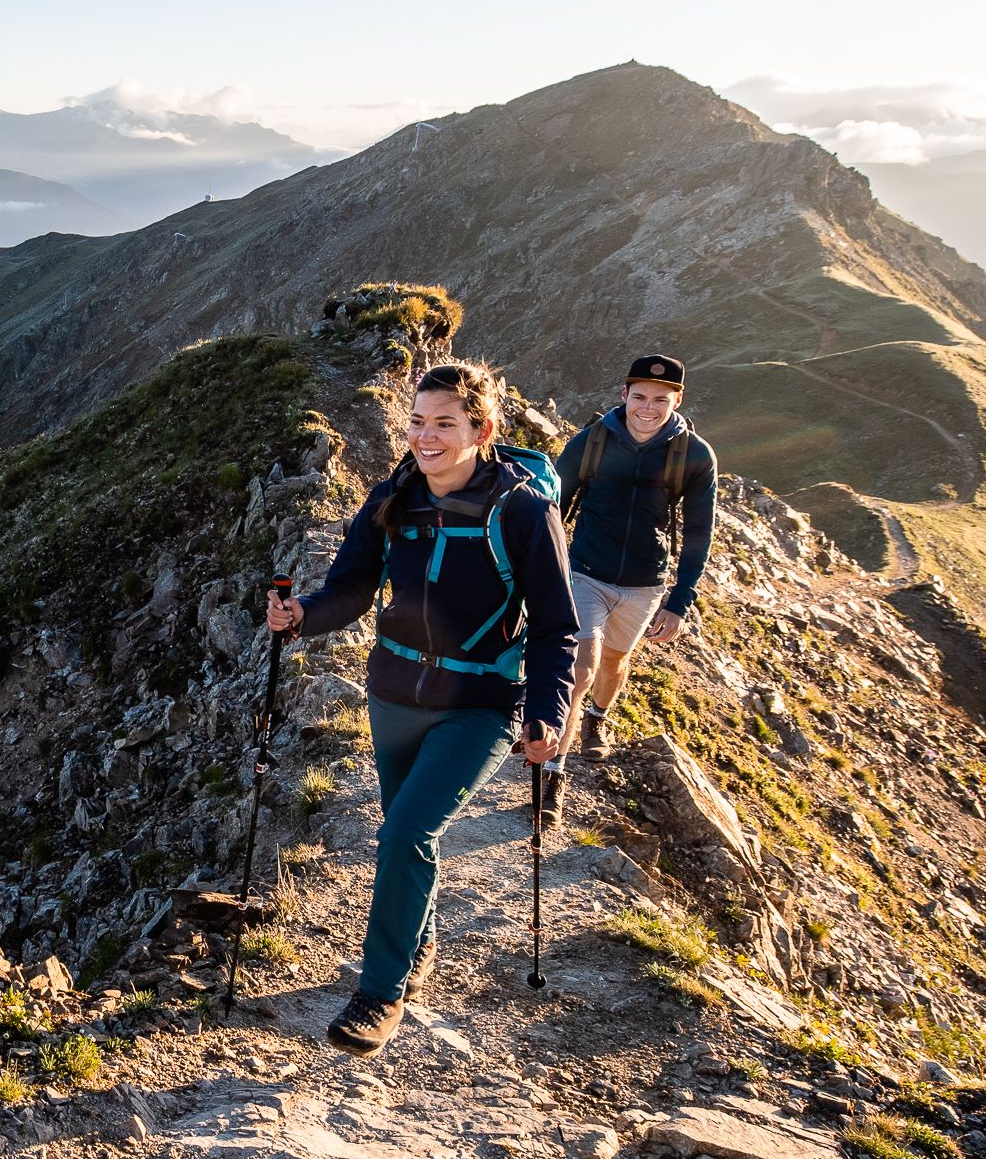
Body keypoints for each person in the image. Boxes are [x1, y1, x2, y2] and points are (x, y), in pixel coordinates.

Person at [265, 361, 578, 1056]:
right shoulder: (393, 496)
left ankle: (381, 993)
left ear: (482, 430)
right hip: (393, 693)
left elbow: (558, 627)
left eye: (444, 423)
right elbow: (351, 587)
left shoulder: (524, 512)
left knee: (405, 832)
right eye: (416, 422)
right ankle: (420, 941)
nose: (425, 437)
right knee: (410, 831)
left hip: (480, 703)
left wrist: (548, 710)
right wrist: (302, 615)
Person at [558, 354, 718, 759]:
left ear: (677, 400)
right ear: (624, 394)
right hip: (585, 573)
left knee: (614, 661)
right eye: (640, 397)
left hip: (645, 585)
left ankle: (596, 718)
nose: (649, 408)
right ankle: (553, 764)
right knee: (581, 667)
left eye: (660, 400)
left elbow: (699, 533)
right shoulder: (592, 441)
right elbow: (552, 506)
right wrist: (535, 568)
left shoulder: (695, 456)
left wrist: (679, 602)